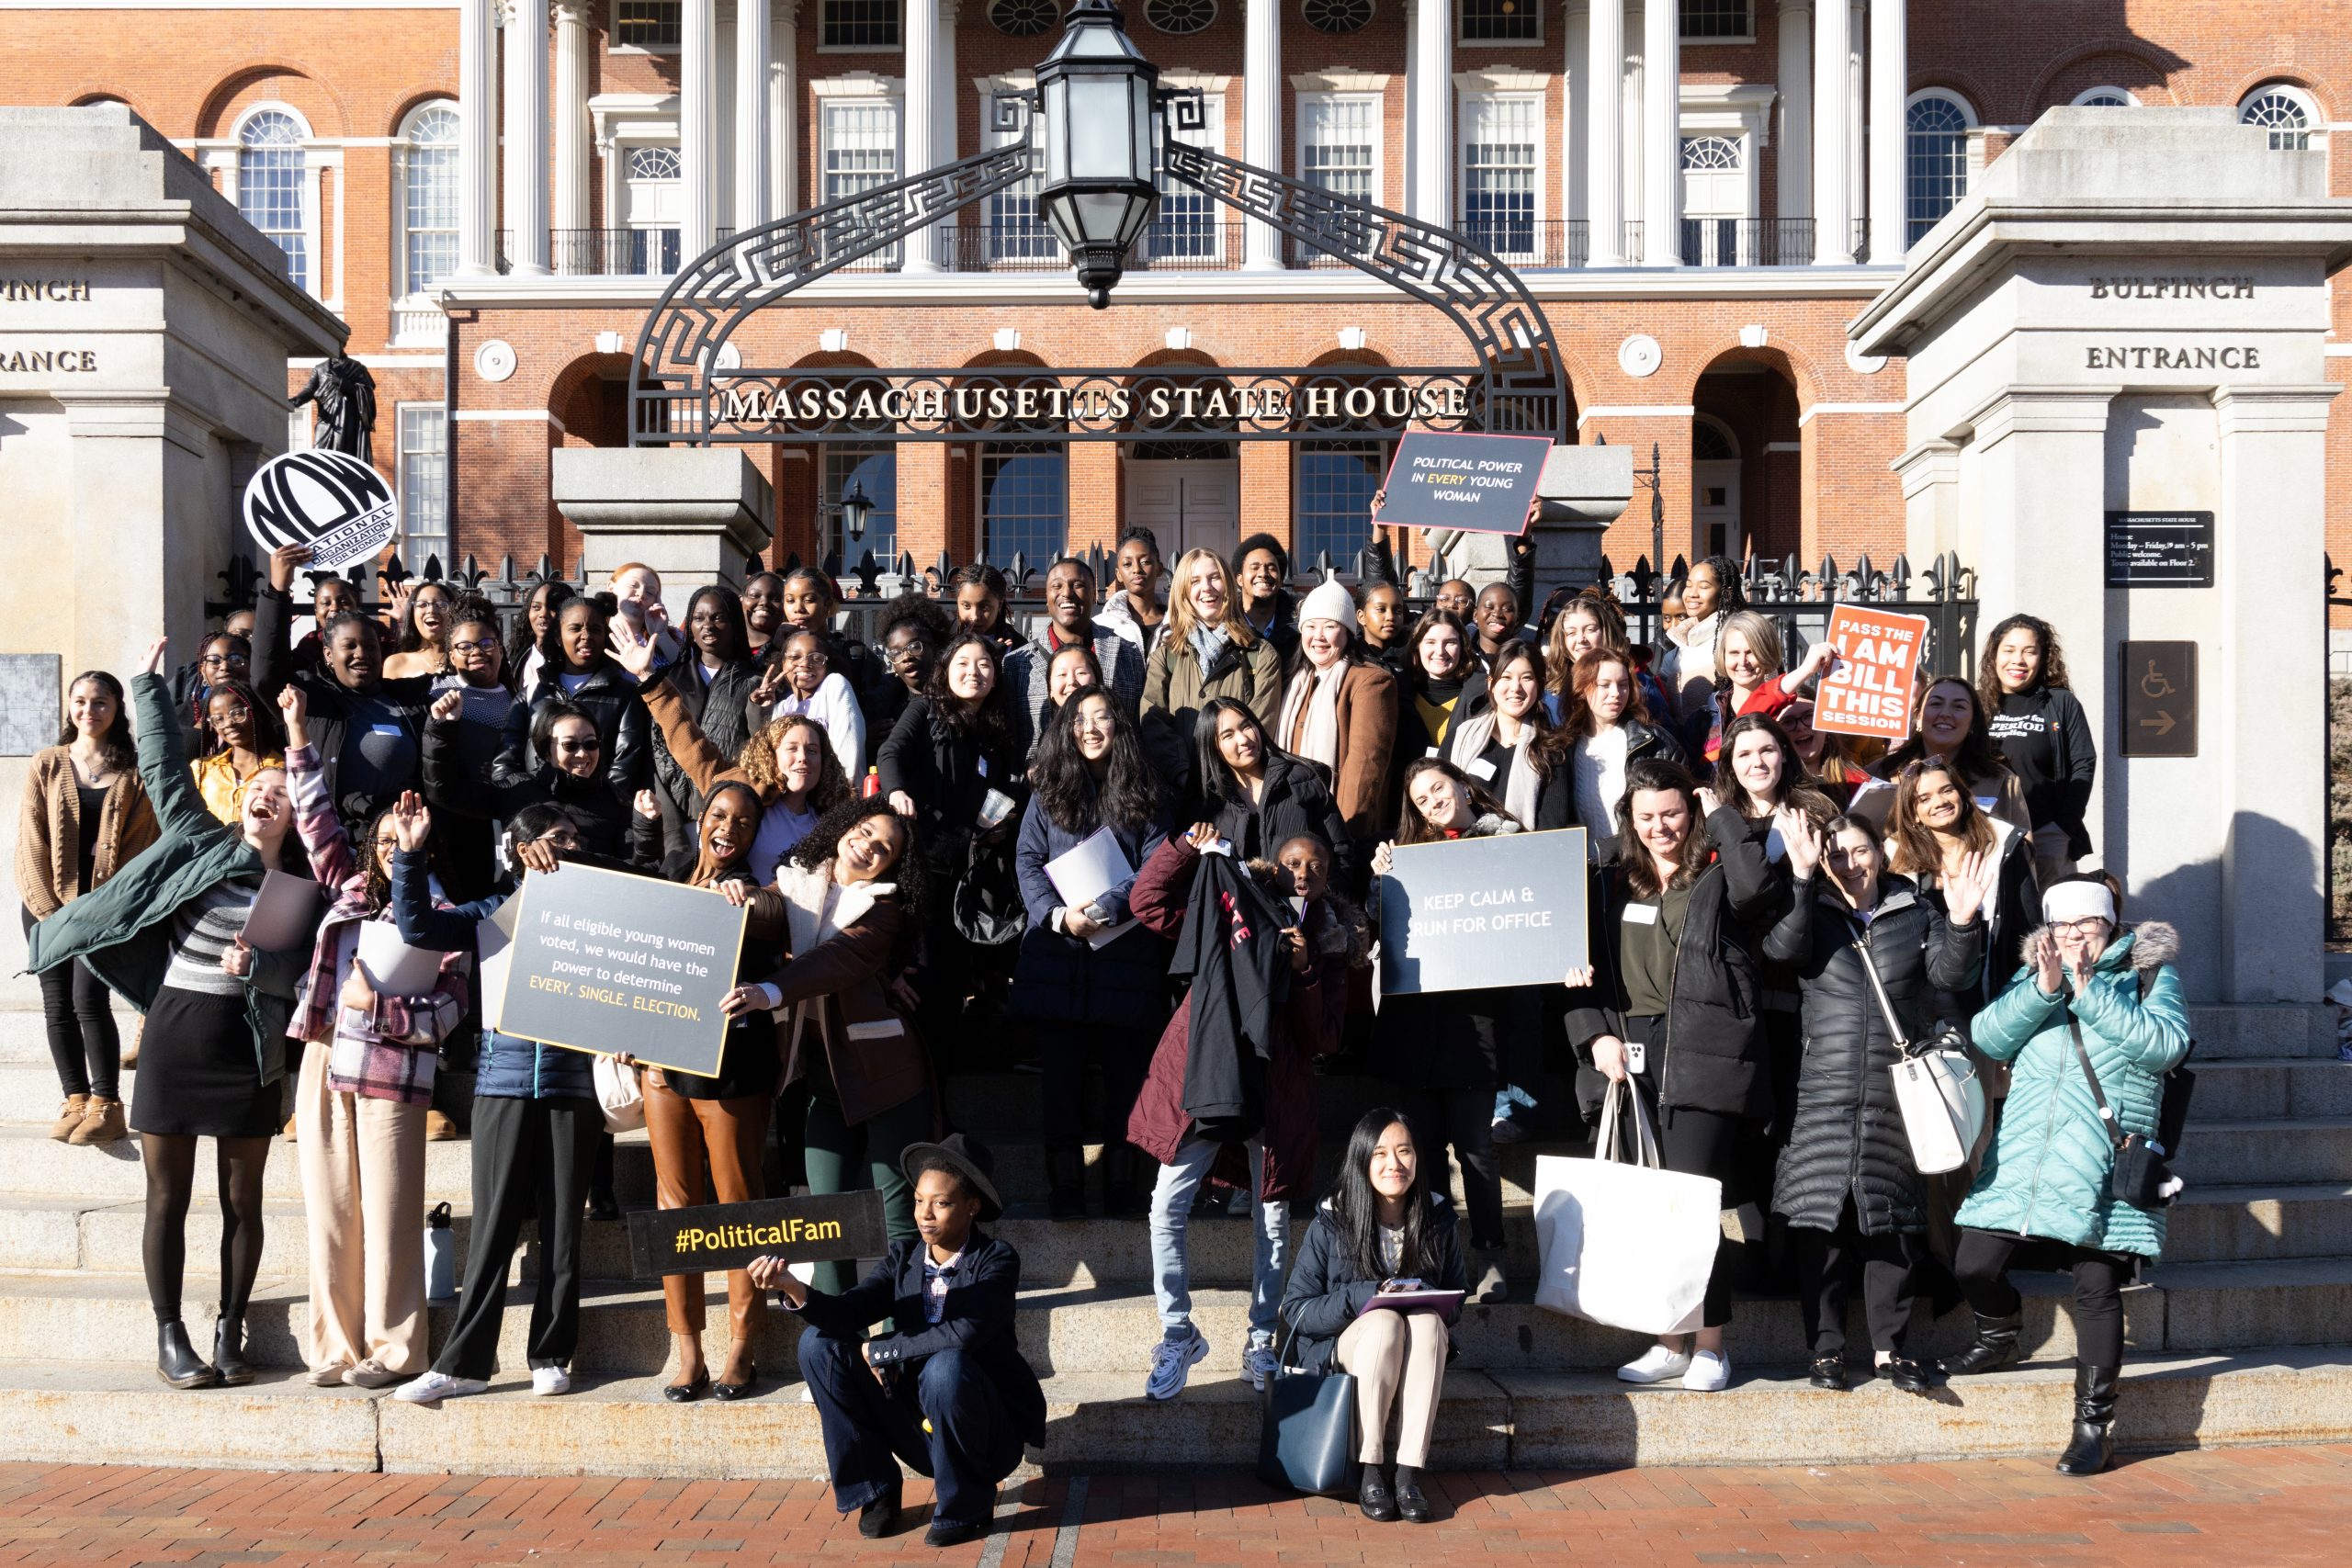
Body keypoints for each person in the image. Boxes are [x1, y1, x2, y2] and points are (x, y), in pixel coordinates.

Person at [27, 640, 312, 1392]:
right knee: (168, 1196)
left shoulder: (299, 889)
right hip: (177, 1039)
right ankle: (170, 1331)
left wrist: (265, 967)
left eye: (279, 793)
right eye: (257, 787)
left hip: (247, 1054)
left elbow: (304, 973)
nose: (263, 794)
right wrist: (148, 685)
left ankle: (229, 1325)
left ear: (293, 813)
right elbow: (159, 768)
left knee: (243, 1200)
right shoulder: (200, 841)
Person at [1943, 876, 2190, 1477]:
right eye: (2065, 926)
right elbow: (1987, 1036)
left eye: (2089, 924)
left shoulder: (2149, 973)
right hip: (2025, 1154)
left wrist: (2089, 993)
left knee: (2096, 1289)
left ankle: (2093, 1427)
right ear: (2049, 930)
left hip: (2104, 1157)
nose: (2076, 935)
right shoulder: (2037, 973)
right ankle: (2001, 1329)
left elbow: (2167, 1045)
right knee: (1973, 1261)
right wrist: (2046, 988)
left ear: (2109, 925)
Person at [1565, 758, 1782, 1393]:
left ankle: (1710, 1344)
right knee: (1654, 1206)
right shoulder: (1608, 878)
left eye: (1672, 813)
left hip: (1706, 1046)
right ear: (1629, 820)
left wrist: (1721, 814)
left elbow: (1758, 890)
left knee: (1690, 1201)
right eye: (1647, 816)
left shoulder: (1718, 867)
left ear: (1691, 811)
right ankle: (1667, 1339)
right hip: (1631, 1049)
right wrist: (1594, 1031)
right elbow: (1575, 966)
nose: (1661, 826)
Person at [1129, 829, 1364, 1400]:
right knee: (1166, 1203)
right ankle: (1177, 1330)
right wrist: (1185, 848)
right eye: (1291, 861)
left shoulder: (1333, 940)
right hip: (1207, 1076)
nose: (1302, 871)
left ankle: (1260, 1339)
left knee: (1274, 1224)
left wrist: (1306, 968)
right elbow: (1147, 904)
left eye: (1315, 864)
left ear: (1328, 878)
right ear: (1272, 866)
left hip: (1276, 1094)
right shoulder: (1228, 902)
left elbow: (1328, 1037)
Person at [280, 693, 470, 1389]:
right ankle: (334, 1347)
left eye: (405, 842)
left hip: (393, 1068)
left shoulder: (446, 915)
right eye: (385, 841)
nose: (393, 851)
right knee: (330, 1211)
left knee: (390, 1216)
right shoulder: (349, 887)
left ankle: (395, 1351)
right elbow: (314, 819)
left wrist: (386, 1010)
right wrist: (298, 734)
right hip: (328, 1056)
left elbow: (451, 1011)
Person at [1765, 809, 1989, 1393]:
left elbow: (1952, 975)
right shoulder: (1811, 909)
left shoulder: (1916, 912)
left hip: (1897, 1094)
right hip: (1823, 1092)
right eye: (1835, 854)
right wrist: (1800, 876)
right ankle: (1827, 1351)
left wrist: (1963, 922)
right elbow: (1783, 951)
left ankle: (1891, 1350)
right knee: (1822, 1227)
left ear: (1880, 853)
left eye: (1859, 851)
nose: (1848, 863)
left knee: (1891, 1225)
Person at [389, 802, 601, 1405]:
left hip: (573, 1085)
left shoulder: (595, 916)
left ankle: (551, 1353)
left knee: (564, 1228)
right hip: (502, 1083)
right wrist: (409, 854)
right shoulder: (492, 913)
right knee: (492, 1229)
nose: (568, 845)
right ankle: (465, 1363)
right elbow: (418, 927)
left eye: (575, 837)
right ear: (521, 847)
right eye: (556, 837)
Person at [751, 1135, 1043, 1549]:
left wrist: (884, 1348)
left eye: (940, 1203)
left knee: (947, 1365)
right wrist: (794, 1288)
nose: (925, 1214)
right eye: (919, 1200)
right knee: (818, 1345)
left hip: (983, 1433)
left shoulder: (996, 1260)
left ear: (971, 1207)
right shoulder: (905, 1257)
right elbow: (852, 1311)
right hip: (918, 1424)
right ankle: (876, 1489)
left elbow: (965, 1332)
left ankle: (968, 1504)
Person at [723, 800, 933, 1298]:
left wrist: (768, 991)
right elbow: (775, 907)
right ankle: (836, 1347)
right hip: (825, 1083)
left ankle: (895, 1342)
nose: (868, 845)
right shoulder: (800, 881)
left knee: (897, 1220)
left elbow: (834, 960)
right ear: (842, 829)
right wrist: (741, 896)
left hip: (888, 1081)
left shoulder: (884, 910)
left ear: (890, 865)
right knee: (825, 1222)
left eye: (883, 847)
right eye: (863, 831)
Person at [631, 780, 786, 1402]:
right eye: (720, 814)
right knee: (676, 1205)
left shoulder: (755, 890)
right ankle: (687, 1346)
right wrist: (625, 1027)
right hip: (662, 1068)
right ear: (700, 818)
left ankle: (743, 1345)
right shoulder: (670, 875)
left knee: (739, 1204)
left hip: (731, 1069)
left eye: (745, 822)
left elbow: (779, 926)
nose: (729, 828)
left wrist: (748, 900)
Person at [1367, 758, 1527, 1303]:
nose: (1433, 801)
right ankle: (1435, 1257)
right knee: (1425, 1150)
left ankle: (1489, 1255)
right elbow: (1382, 926)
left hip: (1474, 1024)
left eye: (1438, 788)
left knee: (1477, 1149)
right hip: (1416, 1025)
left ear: (1461, 783)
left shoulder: (1507, 841)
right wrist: (1381, 880)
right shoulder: (1409, 857)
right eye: (1421, 799)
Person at [1012, 690, 1170, 1217]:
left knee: (1127, 1082)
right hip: (1058, 961)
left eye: (1102, 717)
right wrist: (1059, 917)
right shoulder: (1049, 790)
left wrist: (1105, 910)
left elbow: (1157, 869)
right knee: (1060, 1087)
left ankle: (1124, 1191)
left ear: (1120, 726)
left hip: (1126, 959)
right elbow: (1028, 860)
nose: (1090, 728)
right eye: (1079, 719)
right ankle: (1066, 1191)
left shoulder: (1147, 790)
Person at [1278, 1111, 1467, 1526]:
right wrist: (1365, 1296)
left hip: (1412, 1340)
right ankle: (1370, 1471)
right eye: (1380, 1153)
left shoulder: (1437, 1217)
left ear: (1418, 1159)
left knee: (1428, 1324)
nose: (1394, 1164)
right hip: (1345, 1346)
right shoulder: (1333, 1218)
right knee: (1384, 1323)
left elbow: (1457, 1298)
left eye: (1404, 1151)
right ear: (1362, 1160)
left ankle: (1407, 1474)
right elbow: (1296, 1310)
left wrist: (1428, 1301)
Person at [17, 669, 157, 1145]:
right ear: (69, 706)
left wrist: (106, 908)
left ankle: (107, 1104)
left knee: (89, 1002)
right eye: (80, 701)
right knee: (56, 1005)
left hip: (100, 911)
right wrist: (46, 906)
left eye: (100, 702)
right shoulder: (47, 763)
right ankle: (73, 1099)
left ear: (117, 708)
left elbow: (140, 845)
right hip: (45, 908)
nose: (88, 711)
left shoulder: (134, 771)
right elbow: (31, 838)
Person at [616, 618, 854, 883]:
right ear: (772, 755)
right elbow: (687, 736)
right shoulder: (739, 789)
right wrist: (648, 677)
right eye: (791, 748)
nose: (802, 757)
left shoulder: (832, 815)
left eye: (812, 750)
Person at [879, 630, 1025, 1048]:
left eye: (983, 664)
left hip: (966, 875)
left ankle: (942, 1103)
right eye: (962, 663)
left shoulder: (993, 731)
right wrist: (896, 792)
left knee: (952, 988)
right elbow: (891, 753)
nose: (973, 672)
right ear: (946, 671)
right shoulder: (925, 708)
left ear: (995, 676)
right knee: (922, 981)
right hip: (923, 868)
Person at [253, 544, 435, 829]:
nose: (361, 654)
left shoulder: (410, 701)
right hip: (328, 844)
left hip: (394, 844)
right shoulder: (309, 700)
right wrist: (278, 589)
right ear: (328, 655)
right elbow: (265, 674)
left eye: (370, 647)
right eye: (348, 646)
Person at [1886, 759, 2041, 1020]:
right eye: (1924, 798)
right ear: (1913, 814)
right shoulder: (1892, 859)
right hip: (1916, 1008)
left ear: (1962, 793)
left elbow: (2028, 931)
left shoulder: (2004, 848)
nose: (1940, 802)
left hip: (1988, 1001)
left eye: (1947, 790)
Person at [426, 692, 655, 865]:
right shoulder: (518, 789)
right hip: (518, 907)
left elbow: (637, 870)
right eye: (570, 745)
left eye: (591, 744)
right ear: (546, 750)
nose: (583, 754)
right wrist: (441, 729)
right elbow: (445, 792)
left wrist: (646, 827)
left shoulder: (616, 801)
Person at [1141, 547, 1282, 799]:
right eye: (1195, 581)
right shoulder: (1166, 655)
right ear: (1184, 592)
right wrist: (1184, 772)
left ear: (1228, 584)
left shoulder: (1261, 654)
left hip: (1241, 793)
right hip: (1181, 794)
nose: (1207, 587)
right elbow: (1152, 721)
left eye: (1214, 577)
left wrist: (1222, 775)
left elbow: (1261, 723)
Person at [1275, 578, 1397, 863]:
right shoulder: (1294, 681)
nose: (1318, 636)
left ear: (1347, 632)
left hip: (1337, 833)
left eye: (1330, 626)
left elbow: (1365, 767)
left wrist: (1343, 840)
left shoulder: (1370, 680)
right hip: (1291, 827)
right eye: (1311, 627)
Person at [646, 584, 763, 863]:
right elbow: (657, 752)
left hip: (726, 819)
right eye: (699, 618)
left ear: (735, 624)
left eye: (718, 617)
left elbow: (759, 753)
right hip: (675, 816)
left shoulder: (754, 683)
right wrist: (672, 828)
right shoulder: (670, 679)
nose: (708, 626)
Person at [1980, 615, 2098, 885]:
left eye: (2029, 651)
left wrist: (2064, 824)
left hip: (2047, 834)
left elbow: (2083, 763)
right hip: (1989, 835)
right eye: (2008, 650)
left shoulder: (2061, 703)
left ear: (2043, 658)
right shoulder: (1977, 705)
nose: (2018, 660)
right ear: (1994, 656)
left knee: (2053, 920)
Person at [497, 593, 650, 797]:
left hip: (599, 815)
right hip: (538, 812)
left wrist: (599, 805)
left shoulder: (625, 694)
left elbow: (626, 762)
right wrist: (522, 800)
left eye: (595, 629)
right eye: (575, 628)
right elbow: (507, 760)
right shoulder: (532, 693)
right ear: (559, 637)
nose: (586, 636)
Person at [1194, 698, 1354, 887]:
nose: (1244, 739)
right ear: (1213, 748)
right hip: (1242, 914)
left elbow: (1341, 852)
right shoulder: (1212, 805)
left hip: (1303, 911)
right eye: (1228, 735)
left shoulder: (1301, 780)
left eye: (1246, 726)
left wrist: (1320, 905)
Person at [1853, 676, 2033, 839]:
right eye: (1936, 704)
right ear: (1919, 715)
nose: (1946, 713)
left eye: (1959, 707)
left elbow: (2024, 850)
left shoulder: (2002, 782)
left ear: (1973, 722)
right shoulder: (1880, 774)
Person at [1551, 648, 1685, 863]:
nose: (1616, 693)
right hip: (1582, 872)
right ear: (1582, 689)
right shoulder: (1561, 748)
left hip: (1640, 867)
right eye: (1604, 685)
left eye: (1623, 685)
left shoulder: (1655, 742)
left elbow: (1682, 810)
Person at [1003, 556, 1146, 755]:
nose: (1067, 593)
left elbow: (1139, 732)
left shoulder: (1127, 653)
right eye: (1057, 586)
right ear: (1046, 597)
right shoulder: (1017, 664)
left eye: (1078, 585)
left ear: (1093, 594)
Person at [1444, 641, 1572, 831]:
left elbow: (1552, 827)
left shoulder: (1552, 749)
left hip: (1524, 856)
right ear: (1491, 684)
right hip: (1460, 854)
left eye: (1527, 678)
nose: (1516, 688)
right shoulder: (1460, 737)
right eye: (1506, 677)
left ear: (1539, 685)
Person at [1709, 611, 1838, 761]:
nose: (1743, 661)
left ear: (1767, 653)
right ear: (1722, 656)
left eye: (1751, 652)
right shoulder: (1703, 720)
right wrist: (1806, 670)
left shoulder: (1789, 712)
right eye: (1734, 653)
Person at [1543, 591, 1673, 730]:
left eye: (1590, 629)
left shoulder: (1640, 686)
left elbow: (1668, 738)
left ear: (1605, 633)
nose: (1581, 639)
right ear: (1562, 640)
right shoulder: (1552, 690)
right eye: (1571, 633)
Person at [748, 627, 867, 779]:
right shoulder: (782, 708)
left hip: (837, 794)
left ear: (828, 665)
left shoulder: (834, 686)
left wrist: (838, 792)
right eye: (795, 657)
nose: (805, 663)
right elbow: (764, 757)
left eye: (816, 658)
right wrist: (763, 710)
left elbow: (849, 748)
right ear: (783, 663)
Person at [1658, 556, 1742, 757]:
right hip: (1683, 758)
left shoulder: (1737, 637)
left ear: (1725, 592)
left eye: (1704, 586)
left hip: (1725, 755)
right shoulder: (1677, 649)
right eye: (1689, 585)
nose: (1692, 594)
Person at [1391, 608, 1474, 766]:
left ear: (1462, 647)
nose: (1440, 651)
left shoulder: (1478, 698)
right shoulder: (1399, 692)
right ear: (1417, 646)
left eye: (1450, 642)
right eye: (1430, 642)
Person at [873, 591, 954, 739]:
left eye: (914, 647)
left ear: (935, 650)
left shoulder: (953, 698)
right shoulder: (885, 708)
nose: (906, 657)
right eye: (896, 653)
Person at [1098, 525, 1169, 660]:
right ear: (1118, 574)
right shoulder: (1103, 625)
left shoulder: (1180, 622)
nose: (1136, 569)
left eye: (1145, 562)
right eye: (1127, 564)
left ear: (1159, 569)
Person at [1230, 533, 1297, 662]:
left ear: (1281, 580)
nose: (1263, 573)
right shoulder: (1225, 628)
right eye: (1254, 568)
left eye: (1271, 568)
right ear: (1240, 579)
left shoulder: (1300, 627)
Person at [607, 561, 684, 672]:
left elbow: (689, 674)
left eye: (650, 592)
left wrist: (661, 635)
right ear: (611, 588)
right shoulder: (595, 633)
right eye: (633, 585)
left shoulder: (675, 636)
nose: (641, 593)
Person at [505, 579, 573, 694]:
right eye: (536, 607)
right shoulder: (517, 659)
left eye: (553, 607)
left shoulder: (574, 663)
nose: (543, 614)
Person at [380, 580, 458, 680]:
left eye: (441, 605)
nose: (431, 610)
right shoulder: (396, 663)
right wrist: (405, 620)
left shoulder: (466, 658)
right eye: (422, 605)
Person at [946, 562, 1022, 653]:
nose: (975, 616)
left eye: (984, 607)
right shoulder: (942, 638)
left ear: (1000, 604)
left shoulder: (1018, 646)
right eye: (966, 606)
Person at [1356, 580, 1411, 677]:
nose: (1390, 617)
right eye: (1381, 609)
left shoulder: (1413, 654)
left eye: (1398, 611)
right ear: (1361, 617)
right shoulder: (1351, 656)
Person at [1470, 581, 1529, 661]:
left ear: (1517, 619)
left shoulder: (1526, 660)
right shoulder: (1461, 658)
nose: (1497, 614)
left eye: (1507, 609)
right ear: (1475, 615)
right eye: (1489, 607)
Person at [741, 570, 788, 657]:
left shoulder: (792, 649)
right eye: (755, 595)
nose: (764, 602)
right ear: (741, 600)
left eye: (775, 598)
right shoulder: (724, 647)